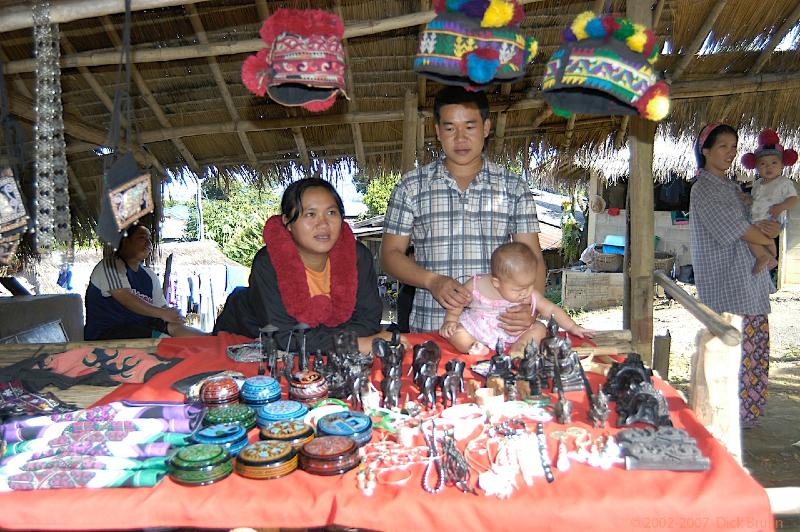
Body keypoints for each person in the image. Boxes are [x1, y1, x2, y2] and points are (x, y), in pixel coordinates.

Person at [381, 86, 546, 334]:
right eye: (450, 128)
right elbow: (389, 255)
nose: (460, 138)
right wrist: (432, 281)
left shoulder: (513, 188)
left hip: (497, 332)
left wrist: (530, 309)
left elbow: (534, 258)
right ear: (437, 131)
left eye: (470, 127)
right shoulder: (411, 187)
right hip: (431, 329)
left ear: (487, 127)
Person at [214, 177, 395, 353]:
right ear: (288, 223)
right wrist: (351, 344)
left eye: (331, 213)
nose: (323, 224)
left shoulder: (357, 257)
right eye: (310, 214)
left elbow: (368, 320)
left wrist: (343, 342)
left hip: (316, 348)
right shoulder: (268, 262)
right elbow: (283, 336)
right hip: (246, 338)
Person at [689, 122, 781, 428]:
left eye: (734, 146)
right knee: (731, 353)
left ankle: (743, 418)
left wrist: (770, 230)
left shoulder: (730, 187)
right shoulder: (704, 189)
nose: (731, 152)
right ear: (706, 150)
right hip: (729, 285)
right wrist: (767, 240)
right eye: (723, 146)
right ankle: (729, 418)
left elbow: (758, 221)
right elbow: (739, 230)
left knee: (750, 352)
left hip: (747, 284)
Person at [439, 242, 594, 356]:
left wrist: (573, 327)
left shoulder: (527, 291)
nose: (525, 292)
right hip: (478, 330)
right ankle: (473, 346)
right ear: (496, 282)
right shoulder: (475, 285)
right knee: (455, 332)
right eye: (518, 289)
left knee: (540, 328)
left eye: (529, 285)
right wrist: (451, 320)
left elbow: (551, 309)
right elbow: (457, 301)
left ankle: (520, 346)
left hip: (515, 332)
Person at [84, 224, 205, 340]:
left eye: (149, 239)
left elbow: (161, 307)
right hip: (107, 333)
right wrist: (163, 313)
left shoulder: (149, 275)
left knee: (173, 326)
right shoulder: (109, 266)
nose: (148, 243)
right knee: (163, 338)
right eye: (142, 238)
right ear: (126, 242)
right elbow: (126, 299)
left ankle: (211, 339)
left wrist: (173, 314)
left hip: (141, 329)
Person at [740, 129, 798, 273]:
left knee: (750, 238)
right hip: (757, 219)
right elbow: (755, 201)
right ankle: (770, 258)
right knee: (755, 239)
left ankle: (763, 258)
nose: (769, 167)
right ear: (757, 167)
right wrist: (748, 200)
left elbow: (793, 199)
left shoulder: (783, 182)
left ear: (782, 165)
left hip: (770, 220)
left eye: (773, 162)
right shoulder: (758, 184)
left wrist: (781, 206)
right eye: (763, 164)